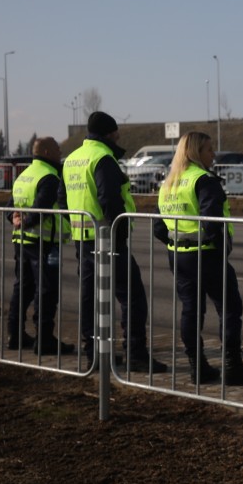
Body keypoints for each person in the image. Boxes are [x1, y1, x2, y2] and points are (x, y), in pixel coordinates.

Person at [63, 111, 167, 373]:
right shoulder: (103, 159)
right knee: (132, 296)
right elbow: (109, 199)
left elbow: (62, 199)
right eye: (116, 131)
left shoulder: (73, 159)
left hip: (82, 239)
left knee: (91, 297)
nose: (119, 135)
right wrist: (118, 234)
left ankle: (94, 355)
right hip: (106, 239)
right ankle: (135, 353)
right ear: (108, 133)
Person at [154, 131, 243, 385]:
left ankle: (198, 368)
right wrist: (217, 248)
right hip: (207, 255)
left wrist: (177, 242)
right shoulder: (204, 180)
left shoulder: (169, 183)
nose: (214, 154)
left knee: (191, 311)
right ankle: (233, 366)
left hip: (179, 257)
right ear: (196, 152)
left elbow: (158, 228)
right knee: (229, 308)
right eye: (209, 149)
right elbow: (212, 222)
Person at [5, 136, 74, 356]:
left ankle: (15, 336)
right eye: (56, 148)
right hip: (43, 244)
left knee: (22, 289)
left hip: (22, 241)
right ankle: (44, 340)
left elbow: (9, 206)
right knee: (46, 291)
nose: (60, 150)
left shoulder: (25, 175)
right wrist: (25, 220)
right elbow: (41, 207)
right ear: (45, 152)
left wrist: (14, 219)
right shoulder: (49, 177)